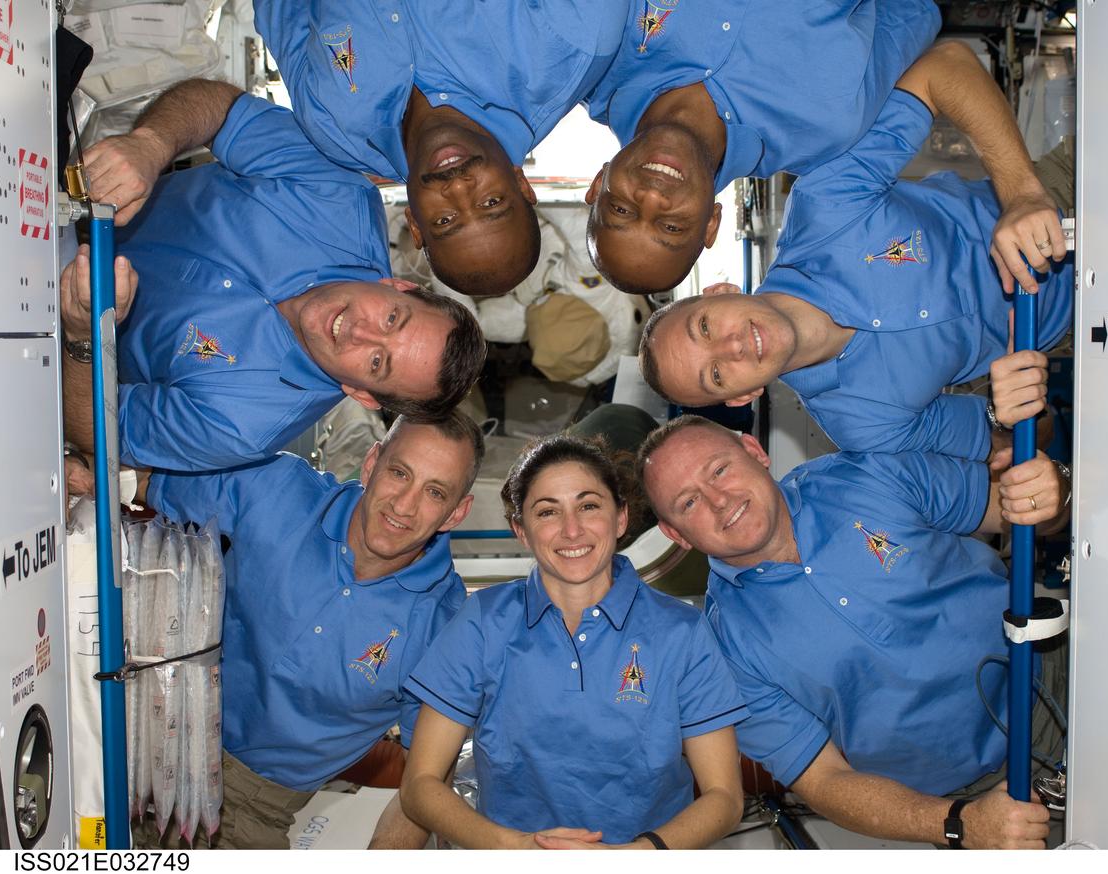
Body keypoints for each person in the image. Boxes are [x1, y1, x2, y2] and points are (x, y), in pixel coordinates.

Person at [638, 415, 1070, 849]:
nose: (718, 500)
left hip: (1065, 674)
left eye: (719, 469)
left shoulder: (870, 474)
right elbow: (824, 780)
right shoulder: (722, 650)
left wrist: (1056, 496)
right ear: (677, 534)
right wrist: (960, 823)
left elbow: (1020, 511)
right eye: (688, 503)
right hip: (978, 797)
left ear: (755, 452)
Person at [636, 68, 1076, 462]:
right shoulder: (862, 426)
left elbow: (943, 69)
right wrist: (1007, 411)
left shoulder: (823, 207)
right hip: (1082, 328)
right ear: (741, 397)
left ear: (720, 291)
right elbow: (1024, 439)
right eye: (715, 375)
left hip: (1066, 198)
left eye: (707, 328)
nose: (731, 348)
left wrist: (1020, 193)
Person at [62, 79, 485, 472]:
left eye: (377, 362)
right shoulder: (339, 195)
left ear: (364, 395)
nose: (360, 332)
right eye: (392, 319)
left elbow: (98, 434)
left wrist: (83, 337)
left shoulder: (243, 427)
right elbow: (223, 109)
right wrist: (151, 146)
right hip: (63, 192)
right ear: (399, 286)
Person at [114, 412, 485, 848]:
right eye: (399, 472)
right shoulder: (282, 489)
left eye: (435, 492)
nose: (404, 504)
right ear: (371, 463)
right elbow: (140, 478)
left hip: (251, 807)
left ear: (456, 512)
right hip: (135, 738)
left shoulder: (448, 628)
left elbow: (424, 784)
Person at [398, 435, 745, 848]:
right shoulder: (483, 622)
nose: (571, 529)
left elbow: (725, 798)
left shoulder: (682, 632)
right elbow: (420, 784)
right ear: (521, 531)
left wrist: (635, 856)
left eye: (589, 505)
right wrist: (521, 850)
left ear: (620, 517)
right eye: (547, 512)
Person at [585, 10, 1068, 297]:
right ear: (711, 223)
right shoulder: (825, 125)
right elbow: (914, 16)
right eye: (672, 226)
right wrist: (1022, 191)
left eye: (622, 209)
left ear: (596, 185)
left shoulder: (595, 53)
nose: (652, 198)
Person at [254, 0, 628, 298]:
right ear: (522, 184)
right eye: (491, 203)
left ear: (414, 224)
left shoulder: (336, 130)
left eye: (445, 221)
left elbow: (282, 12)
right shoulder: (571, 42)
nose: (458, 187)